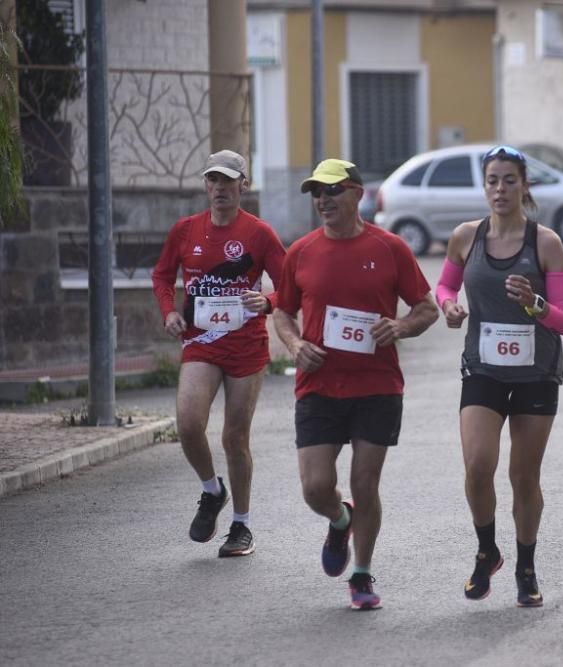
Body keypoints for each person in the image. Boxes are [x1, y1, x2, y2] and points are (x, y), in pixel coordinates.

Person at [272, 158, 438, 611]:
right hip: (319, 384)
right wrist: (294, 344)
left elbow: (426, 308)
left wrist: (399, 327)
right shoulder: (301, 252)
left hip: (376, 384)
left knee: (365, 483)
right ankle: (339, 518)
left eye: (332, 191)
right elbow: (282, 311)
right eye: (316, 193)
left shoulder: (390, 248)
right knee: (314, 487)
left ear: (357, 194)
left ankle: (362, 573)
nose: (322, 200)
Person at [435, 145, 563, 607]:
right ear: (484, 186)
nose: (500, 189)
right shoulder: (465, 237)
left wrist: (534, 304)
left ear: (524, 185)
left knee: (523, 475)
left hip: (536, 373)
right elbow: (444, 285)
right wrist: (449, 306)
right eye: (492, 180)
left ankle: (526, 566)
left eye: (509, 180)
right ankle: (486, 549)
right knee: (478, 466)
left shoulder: (546, 243)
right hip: (484, 368)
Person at [152, 149, 286, 557]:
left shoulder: (259, 234)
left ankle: (241, 526)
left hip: (246, 348)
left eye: (229, 181)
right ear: (206, 185)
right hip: (200, 343)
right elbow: (161, 275)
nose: (220, 188)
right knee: (189, 425)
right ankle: (212, 490)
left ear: (243, 185)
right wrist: (169, 311)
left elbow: (291, 285)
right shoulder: (186, 230)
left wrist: (269, 300)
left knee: (234, 437)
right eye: (214, 180)